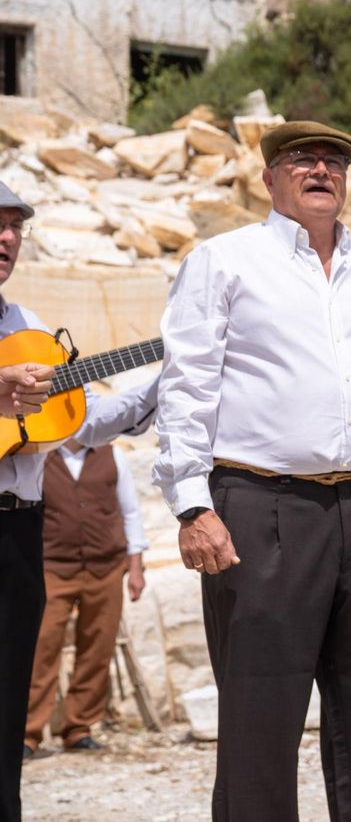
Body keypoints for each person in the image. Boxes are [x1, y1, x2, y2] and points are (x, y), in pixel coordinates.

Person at [155, 121, 351, 822]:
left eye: (333, 161)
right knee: (260, 719)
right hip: (260, 507)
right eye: (301, 160)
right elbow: (186, 386)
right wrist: (193, 505)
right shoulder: (223, 261)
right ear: (268, 179)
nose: (320, 169)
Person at [0, 179, 146, 822]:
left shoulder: (28, 326)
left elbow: (72, 423)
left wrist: (160, 384)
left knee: (7, 697)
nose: (6, 238)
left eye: (15, 226)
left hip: (16, 534)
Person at [25, 376, 158, 757]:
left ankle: (79, 728)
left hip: (105, 567)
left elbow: (130, 513)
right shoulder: (39, 454)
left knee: (96, 649)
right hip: (52, 568)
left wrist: (135, 568)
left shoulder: (112, 454)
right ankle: (28, 733)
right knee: (40, 650)